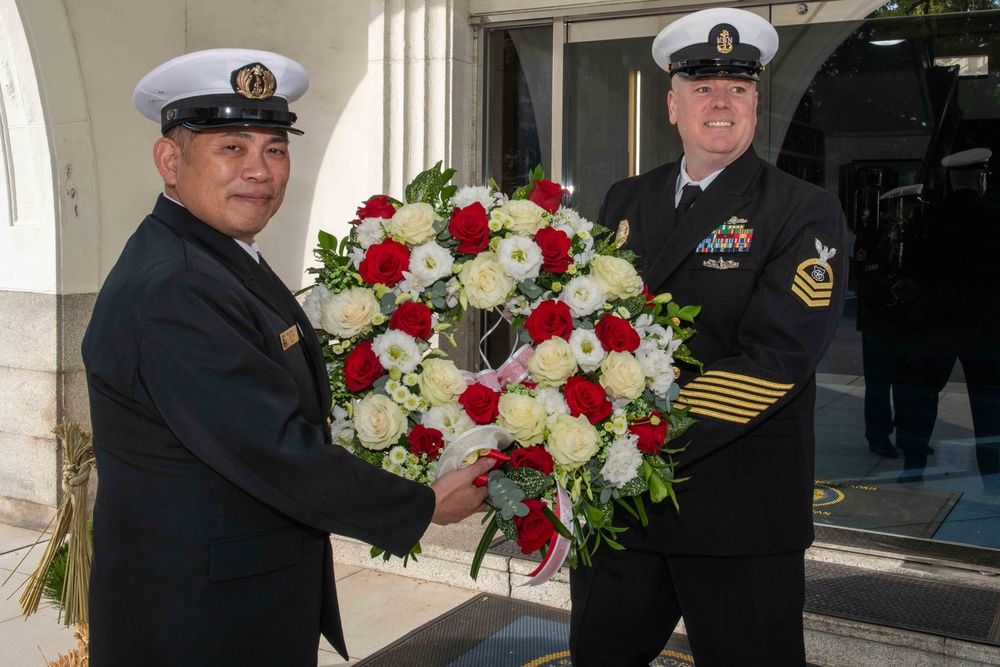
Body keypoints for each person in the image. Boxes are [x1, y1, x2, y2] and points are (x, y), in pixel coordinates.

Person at [81, 49, 492, 666]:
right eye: (232, 147)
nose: (260, 171)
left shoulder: (214, 253)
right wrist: (424, 505)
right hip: (198, 621)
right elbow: (274, 451)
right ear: (171, 160)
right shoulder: (176, 287)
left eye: (275, 148)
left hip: (234, 597)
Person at [569, 9, 848, 666]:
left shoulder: (802, 210)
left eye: (739, 87)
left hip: (739, 513)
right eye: (702, 86)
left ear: (755, 103)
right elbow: (593, 329)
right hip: (626, 514)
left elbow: (775, 362)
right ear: (672, 104)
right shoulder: (623, 201)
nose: (720, 101)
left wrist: (639, 439)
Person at [896, 148, 1000, 488]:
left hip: (934, 325)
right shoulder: (993, 217)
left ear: (953, 181)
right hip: (982, 328)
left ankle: (912, 469)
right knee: (988, 408)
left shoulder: (928, 219)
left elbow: (911, 270)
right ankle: (992, 478)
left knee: (921, 398)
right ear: (981, 177)